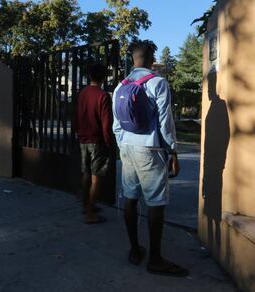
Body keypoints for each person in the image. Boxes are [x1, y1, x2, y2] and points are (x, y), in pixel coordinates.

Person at [112, 40, 189, 276]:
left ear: (133, 58)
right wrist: (172, 150)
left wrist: (124, 146)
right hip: (150, 149)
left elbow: (116, 125)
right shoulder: (157, 82)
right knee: (156, 202)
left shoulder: (120, 86)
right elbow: (166, 121)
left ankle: (135, 250)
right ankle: (155, 258)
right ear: (151, 58)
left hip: (126, 146)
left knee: (130, 197)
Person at [75, 63, 114, 224]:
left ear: (89, 76)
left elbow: (76, 116)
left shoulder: (82, 93)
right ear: (103, 77)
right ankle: (90, 214)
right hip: (97, 141)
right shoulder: (103, 96)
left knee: (86, 173)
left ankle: (86, 205)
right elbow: (106, 124)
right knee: (96, 177)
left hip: (83, 139)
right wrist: (109, 143)